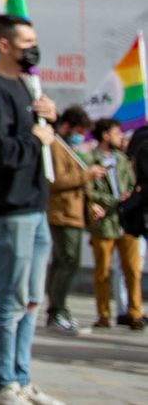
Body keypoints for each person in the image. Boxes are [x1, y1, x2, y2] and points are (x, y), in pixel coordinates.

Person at [0, 14, 65, 405]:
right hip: (9, 211)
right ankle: (4, 382)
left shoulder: (26, 86)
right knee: (11, 300)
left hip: (34, 206)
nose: (33, 48)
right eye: (26, 42)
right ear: (4, 45)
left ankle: (23, 378)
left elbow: (34, 141)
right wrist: (35, 137)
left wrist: (49, 122)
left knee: (30, 300)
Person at [44, 105, 103, 335]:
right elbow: (57, 180)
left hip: (75, 212)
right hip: (62, 213)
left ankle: (61, 310)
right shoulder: (56, 145)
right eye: (78, 129)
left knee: (68, 261)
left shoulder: (69, 147)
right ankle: (56, 311)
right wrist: (85, 175)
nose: (80, 135)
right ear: (67, 126)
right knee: (67, 260)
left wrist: (91, 202)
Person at [84, 117, 143, 330]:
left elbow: (132, 184)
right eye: (117, 133)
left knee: (132, 270)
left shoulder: (123, 160)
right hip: (104, 223)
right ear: (105, 135)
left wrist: (130, 197)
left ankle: (135, 313)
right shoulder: (90, 160)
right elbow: (88, 190)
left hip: (127, 222)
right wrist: (112, 201)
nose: (121, 137)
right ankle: (103, 314)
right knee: (102, 272)